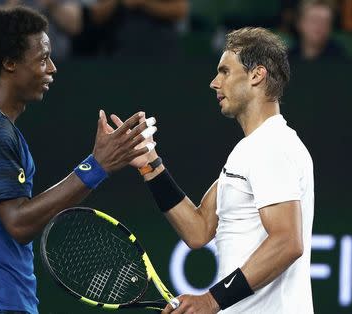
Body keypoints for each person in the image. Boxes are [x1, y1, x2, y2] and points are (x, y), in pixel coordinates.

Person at [0, 6, 155, 313]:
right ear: (9, 63)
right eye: (42, 58)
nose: (53, 68)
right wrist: (97, 166)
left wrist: (97, 166)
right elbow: (18, 222)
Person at [111, 27, 314, 313]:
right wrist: (149, 163)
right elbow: (199, 230)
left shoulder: (271, 146)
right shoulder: (252, 149)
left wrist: (211, 299)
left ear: (257, 75)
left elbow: (287, 241)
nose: (214, 83)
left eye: (225, 72)